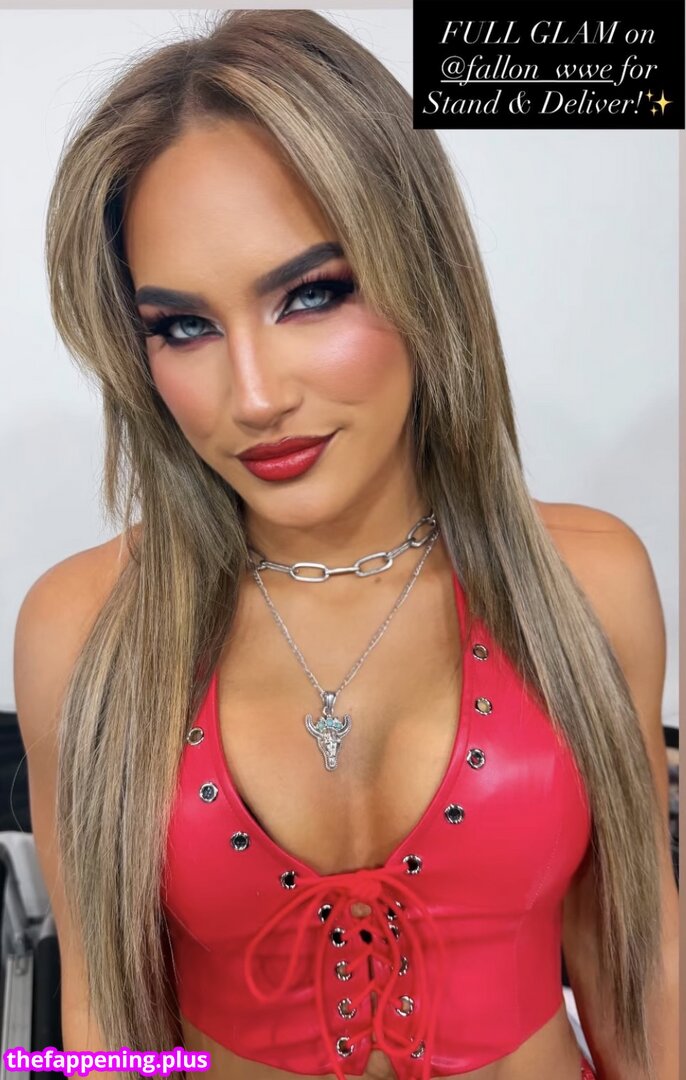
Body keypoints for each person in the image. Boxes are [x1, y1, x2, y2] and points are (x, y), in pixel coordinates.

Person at [13, 9, 677, 1080]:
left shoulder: (588, 581)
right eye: (183, 326)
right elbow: (99, 1012)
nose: (255, 396)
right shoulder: (83, 626)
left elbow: (638, 968)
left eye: (311, 295)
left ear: (422, 274)